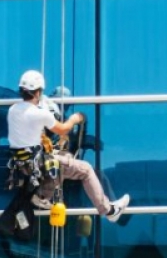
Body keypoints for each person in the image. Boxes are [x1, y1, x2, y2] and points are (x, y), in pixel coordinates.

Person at [7, 70, 129, 223]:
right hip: (38, 165)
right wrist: (75, 118)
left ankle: (43, 196)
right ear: (38, 92)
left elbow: (26, 134)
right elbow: (63, 129)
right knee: (85, 169)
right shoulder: (40, 114)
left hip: (22, 165)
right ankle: (109, 211)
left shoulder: (12, 110)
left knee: (63, 161)